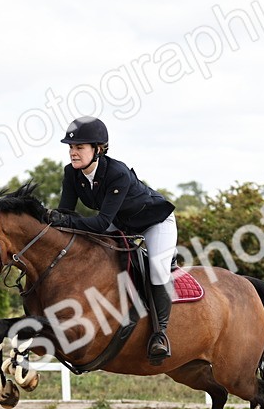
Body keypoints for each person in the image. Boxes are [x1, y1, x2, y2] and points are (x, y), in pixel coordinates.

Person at [48, 116, 178, 364]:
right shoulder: (71, 173)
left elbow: (100, 223)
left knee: (157, 271)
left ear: (98, 149)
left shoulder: (117, 173)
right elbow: (65, 214)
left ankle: (160, 334)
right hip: (121, 222)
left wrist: (65, 221)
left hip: (154, 222)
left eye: (79, 147)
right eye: (71, 147)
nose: (73, 153)